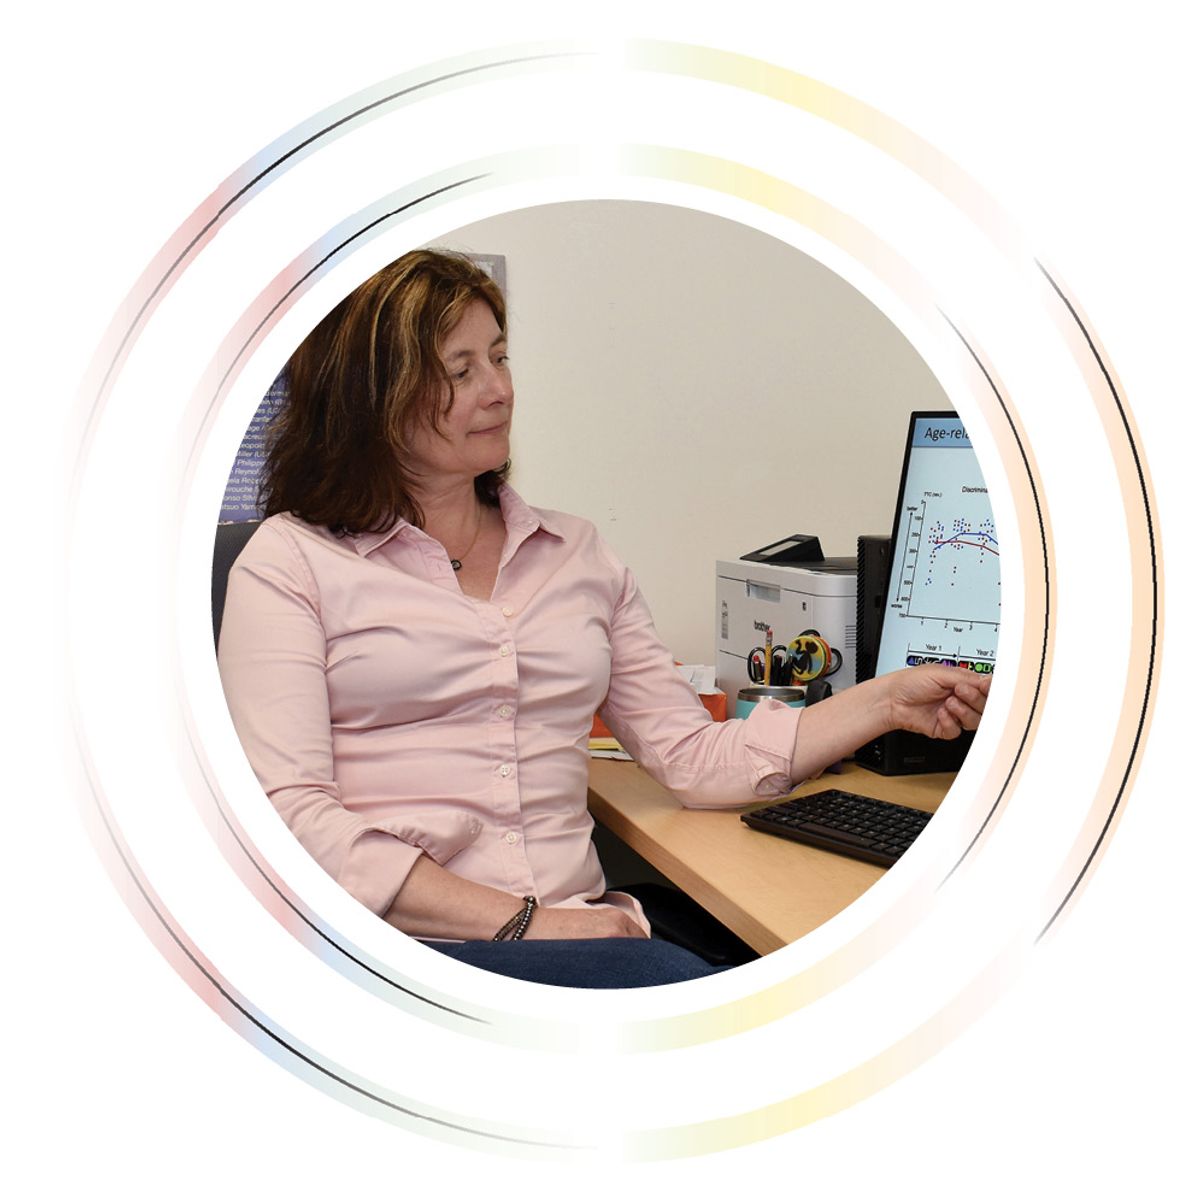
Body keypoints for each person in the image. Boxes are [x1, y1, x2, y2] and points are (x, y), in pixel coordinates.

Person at [217, 249, 989, 989]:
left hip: (584, 934)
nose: (499, 389)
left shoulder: (575, 552)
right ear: (369, 401)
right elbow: (292, 821)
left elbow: (690, 756)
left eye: (501, 356)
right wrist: (527, 924)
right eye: (460, 370)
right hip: (408, 953)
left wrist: (886, 700)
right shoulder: (290, 563)